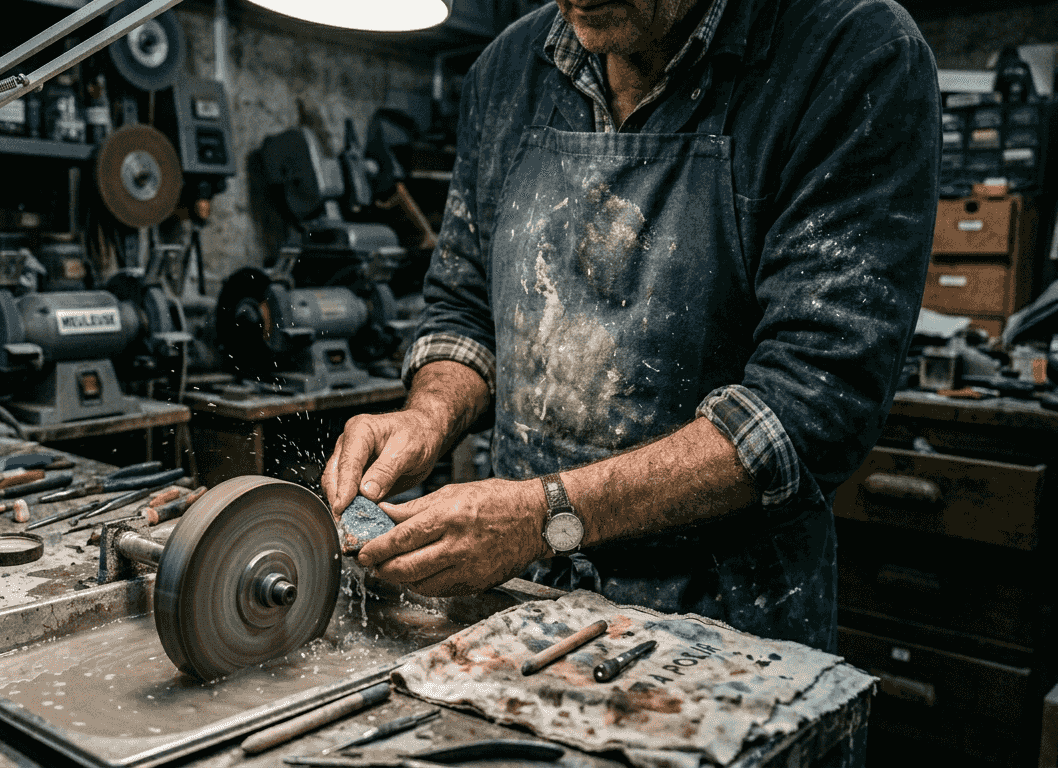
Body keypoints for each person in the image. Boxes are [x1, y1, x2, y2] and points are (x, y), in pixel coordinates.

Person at [321, 0, 940, 651]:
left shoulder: (851, 53)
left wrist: (541, 517)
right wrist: (429, 416)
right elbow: (465, 306)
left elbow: (811, 404)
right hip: (519, 594)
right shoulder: (505, 72)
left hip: (720, 627)